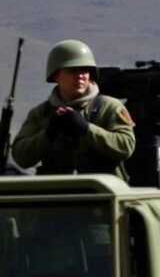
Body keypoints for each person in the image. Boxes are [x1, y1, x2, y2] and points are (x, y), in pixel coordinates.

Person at [12, 39, 135, 179]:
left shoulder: (109, 107)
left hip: (101, 194)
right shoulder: (41, 114)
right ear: (56, 75)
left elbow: (126, 146)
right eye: (72, 71)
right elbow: (21, 157)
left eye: (84, 70)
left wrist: (86, 129)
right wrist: (48, 134)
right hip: (57, 193)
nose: (80, 76)